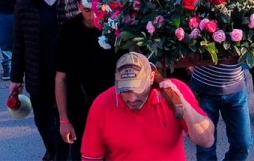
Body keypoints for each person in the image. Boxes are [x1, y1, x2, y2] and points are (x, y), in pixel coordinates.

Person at [81, 51, 215, 160]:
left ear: (151, 78)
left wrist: (184, 105)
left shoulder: (174, 91)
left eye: (138, 89)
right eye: (125, 90)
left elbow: (207, 140)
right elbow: (90, 158)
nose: (132, 98)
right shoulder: (102, 104)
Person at [10, 0, 80, 160]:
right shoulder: (25, 3)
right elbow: (19, 43)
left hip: (69, 73)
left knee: (68, 118)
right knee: (42, 120)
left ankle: (64, 154)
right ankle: (53, 150)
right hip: (38, 73)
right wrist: (16, 79)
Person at [54, 0, 117, 160]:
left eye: (98, 10)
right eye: (87, 10)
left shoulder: (115, 29)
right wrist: (64, 119)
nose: (93, 16)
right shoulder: (69, 30)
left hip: (113, 108)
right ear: (78, 6)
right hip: (80, 111)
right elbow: (60, 77)